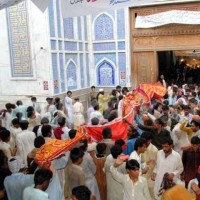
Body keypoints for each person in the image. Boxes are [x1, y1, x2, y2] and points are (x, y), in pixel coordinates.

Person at [141, 131, 158, 198]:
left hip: (150, 178)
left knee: (151, 196)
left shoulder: (154, 150)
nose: (144, 142)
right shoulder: (141, 147)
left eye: (145, 141)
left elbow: (154, 166)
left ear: (150, 140)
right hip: (142, 175)